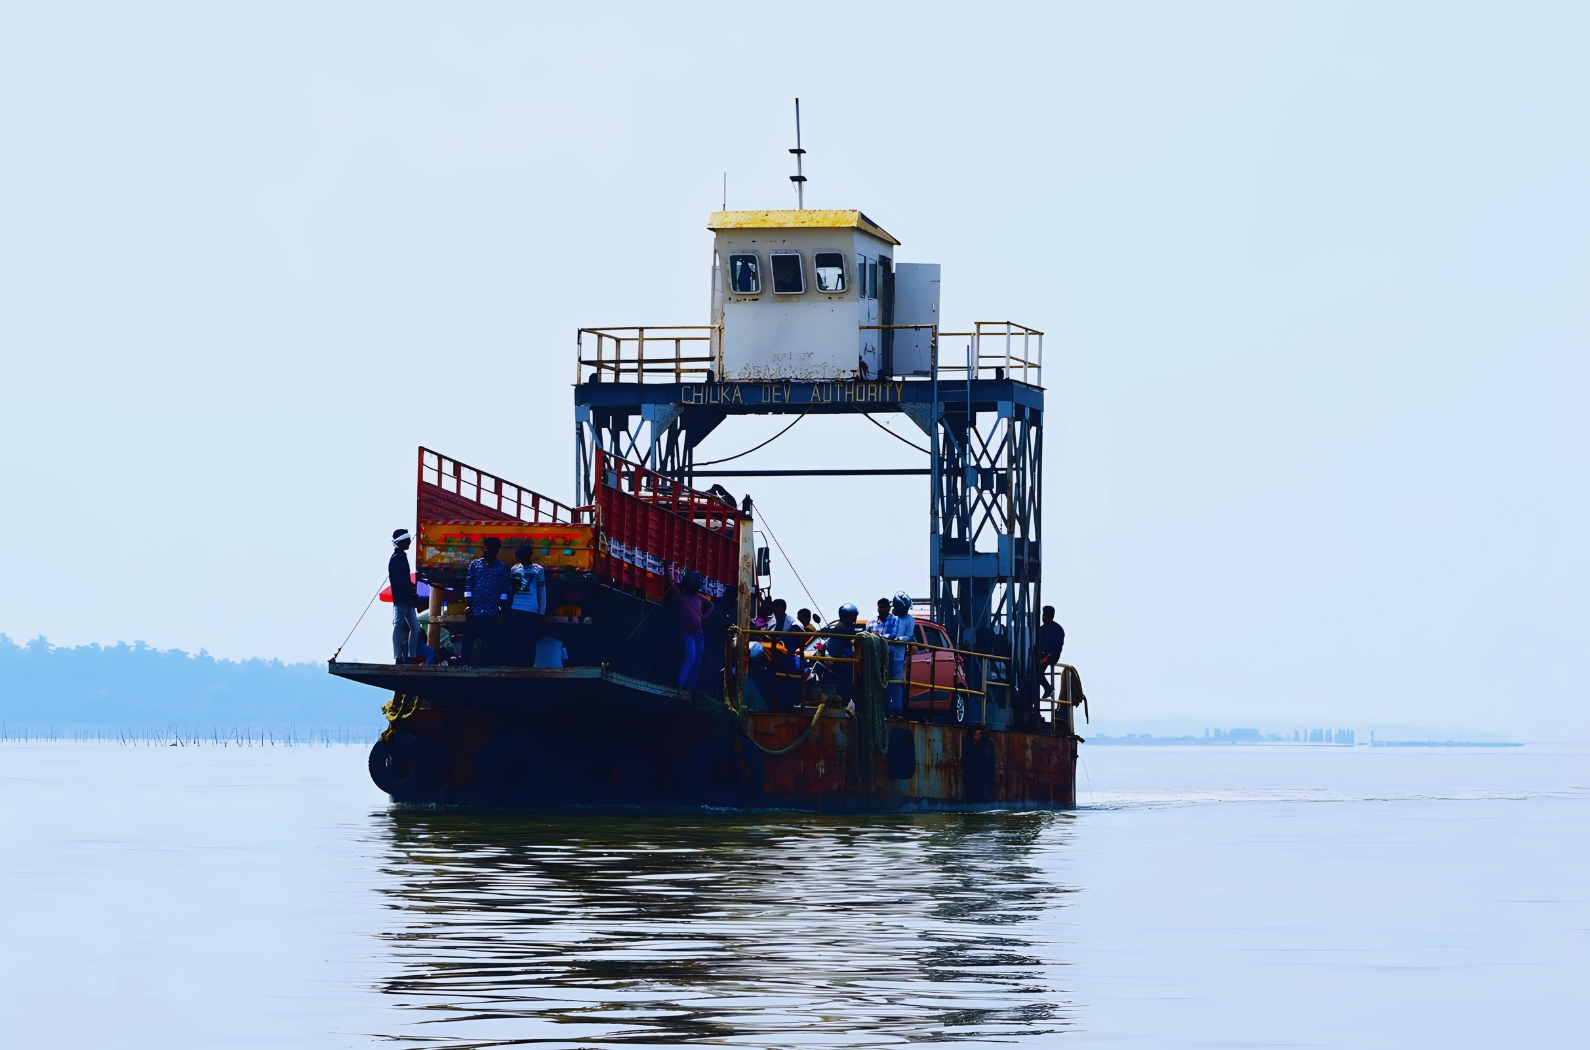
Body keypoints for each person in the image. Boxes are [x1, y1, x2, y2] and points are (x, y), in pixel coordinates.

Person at [464, 537, 512, 665]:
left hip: (492, 611)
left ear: (496, 550)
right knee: (468, 640)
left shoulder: (502, 568)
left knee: (489, 643)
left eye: (490, 549)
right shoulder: (475, 565)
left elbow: (504, 590)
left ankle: (487, 667)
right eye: (485, 549)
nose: (487, 552)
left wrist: (502, 606)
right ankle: (462, 664)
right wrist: (468, 604)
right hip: (475, 610)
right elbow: (469, 585)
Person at [663, 570, 714, 692]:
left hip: (699, 634)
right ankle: (679, 685)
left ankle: (689, 688)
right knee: (691, 657)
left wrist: (704, 616)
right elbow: (669, 582)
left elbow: (711, 605)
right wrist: (665, 566)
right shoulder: (681, 596)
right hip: (689, 634)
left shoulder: (698, 598)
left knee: (697, 660)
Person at [389, 529, 423, 663]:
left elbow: (404, 579)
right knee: (398, 627)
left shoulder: (401, 556)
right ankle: (398, 658)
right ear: (401, 541)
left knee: (415, 628)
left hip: (408, 600)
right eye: (407, 539)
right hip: (402, 600)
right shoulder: (396, 558)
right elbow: (398, 582)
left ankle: (411, 656)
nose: (410, 541)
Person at [509, 544, 546, 666]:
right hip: (516, 607)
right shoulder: (515, 569)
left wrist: (542, 610)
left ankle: (528, 665)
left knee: (528, 640)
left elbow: (542, 591)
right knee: (516, 638)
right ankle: (517, 663)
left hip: (530, 608)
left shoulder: (538, 570)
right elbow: (513, 589)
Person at [824, 602, 863, 706]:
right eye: (852, 616)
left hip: (844, 664)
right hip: (842, 665)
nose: (854, 618)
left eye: (855, 616)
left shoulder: (844, 627)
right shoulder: (844, 628)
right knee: (844, 691)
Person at [883, 592, 915, 718]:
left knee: (895, 683)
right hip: (885, 655)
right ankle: (886, 710)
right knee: (884, 683)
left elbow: (910, 636)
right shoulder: (890, 618)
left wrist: (900, 639)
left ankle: (897, 710)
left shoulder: (909, 620)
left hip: (898, 656)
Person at [1037, 605, 1066, 699]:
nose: (1043, 618)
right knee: (1032, 672)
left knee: (1036, 672)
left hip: (1050, 656)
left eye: (1045, 615)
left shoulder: (1056, 629)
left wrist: (1046, 655)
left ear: (1051, 616)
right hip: (1042, 656)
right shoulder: (1041, 629)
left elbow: (1056, 646)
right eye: (1043, 615)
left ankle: (1048, 688)